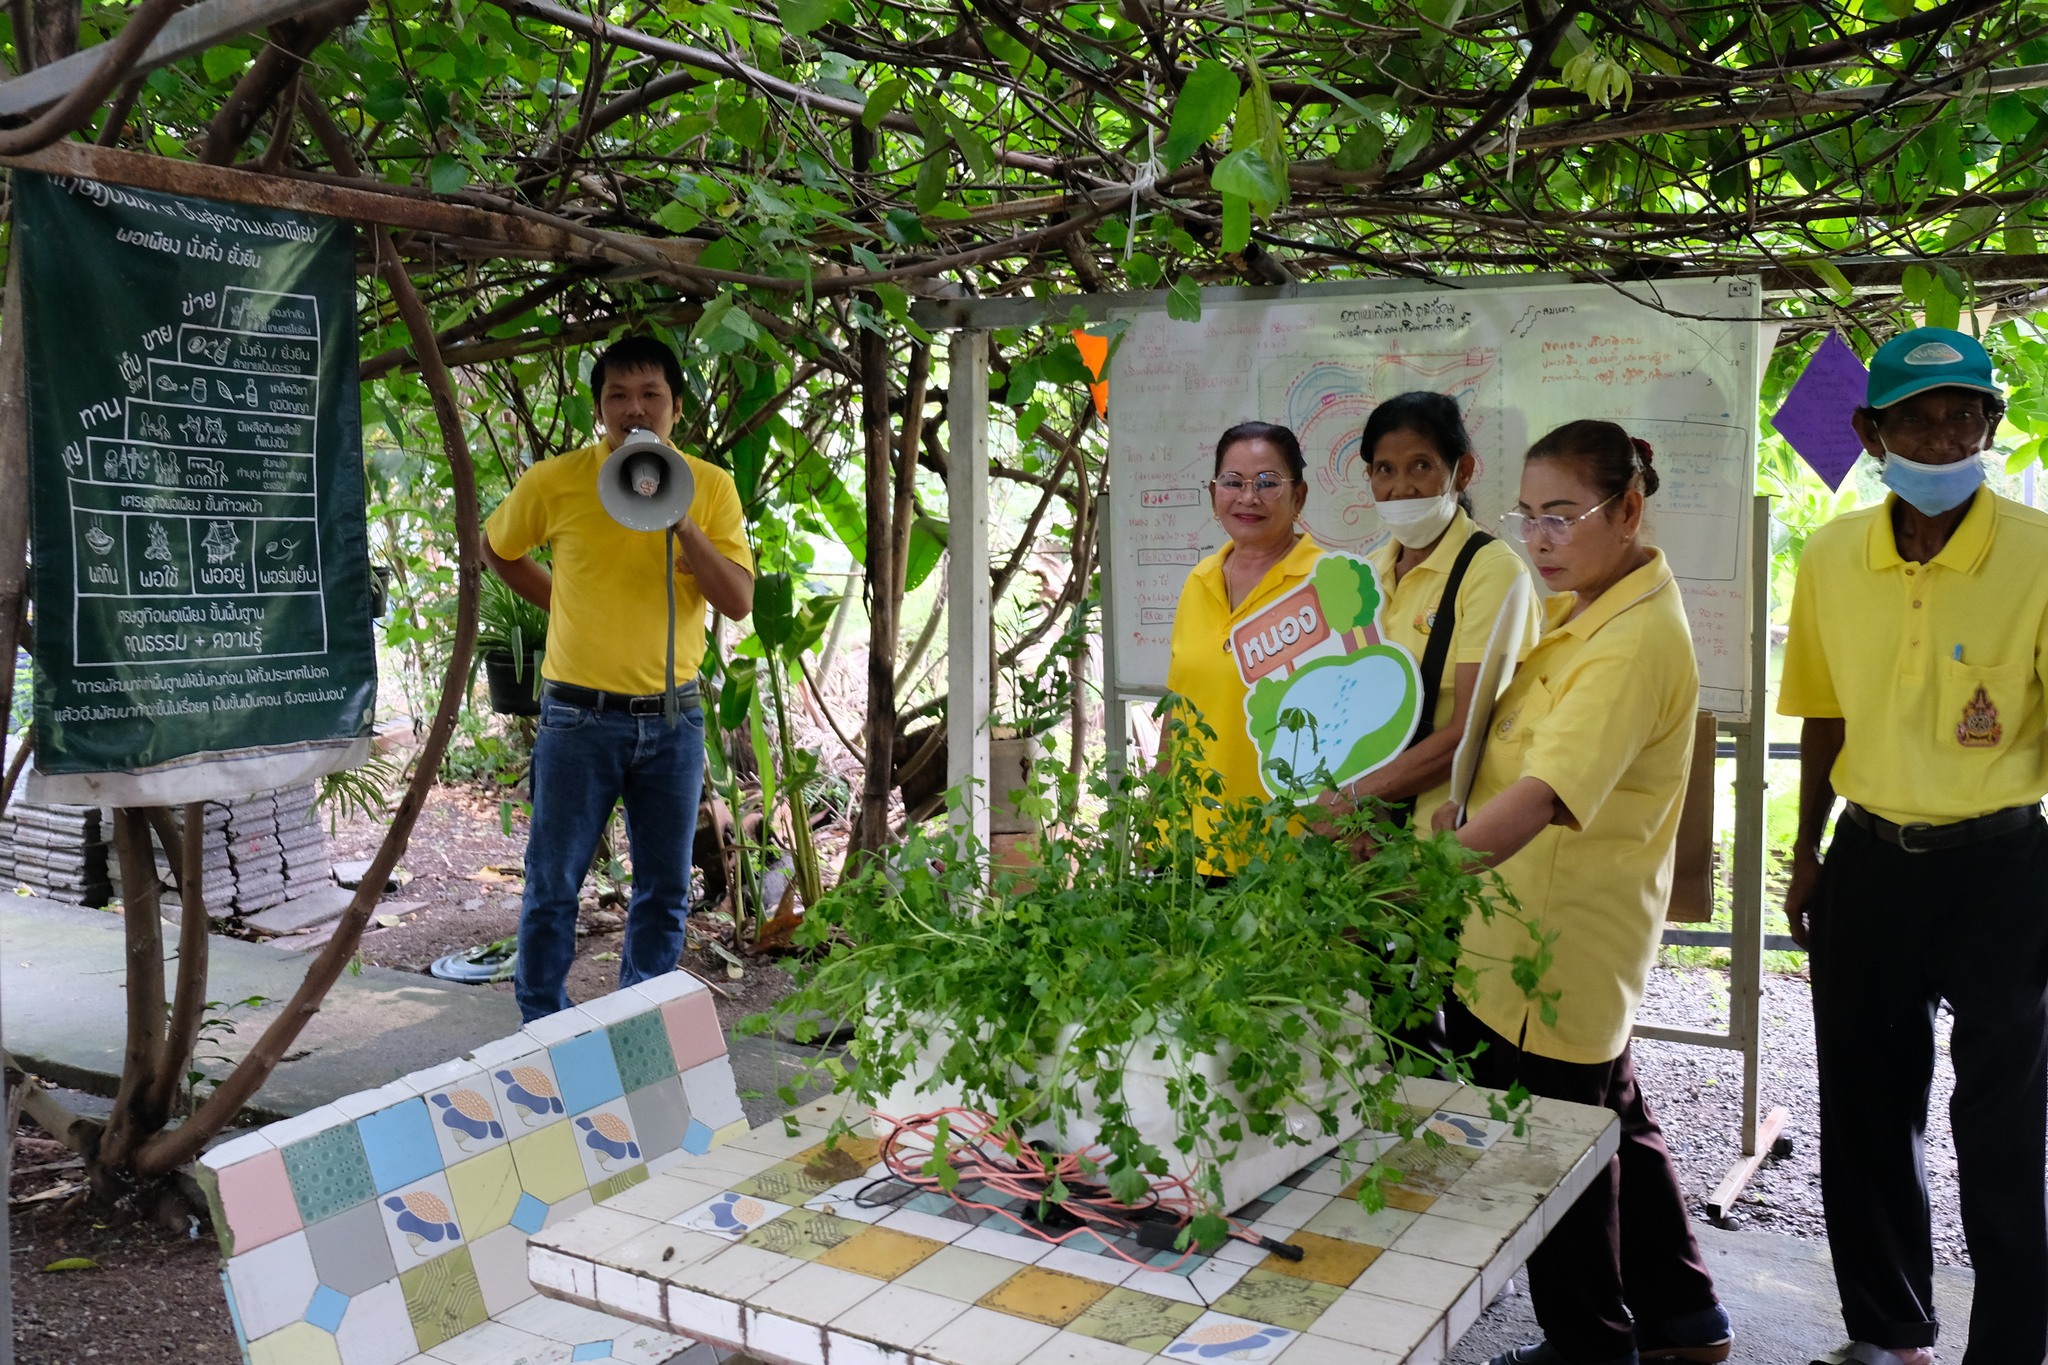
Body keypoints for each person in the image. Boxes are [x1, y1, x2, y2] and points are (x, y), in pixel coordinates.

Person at [1778, 326, 2048, 1365]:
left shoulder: (2034, 550)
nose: (1940, 440)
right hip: (1869, 864)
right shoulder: (1831, 554)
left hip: (2003, 870)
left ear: (1988, 424)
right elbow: (1820, 714)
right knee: (1862, 1110)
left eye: (1961, 418)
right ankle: (1887, 1335)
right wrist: (1804, 854)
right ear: (1868, 431)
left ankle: (2009, 1351)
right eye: (1914, 421)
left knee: (1999, 1129)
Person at [1434, 420, 1730, 1365]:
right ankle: (1686, 1319)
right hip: (1555, 934)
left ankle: (1592, 1347)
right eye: (1529, 516)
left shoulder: (1630, 639)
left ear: (1629, 509)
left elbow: (1539, 798)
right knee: (1613, 1118)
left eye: (1563, 515)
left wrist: (1411, 876)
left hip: (1549, 948)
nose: (1541, 537)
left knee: (1546, 1155)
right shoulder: (1594, 604)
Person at [483, 334, 754, 1023]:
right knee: (553, 885)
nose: (634, 409)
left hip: (673, 721)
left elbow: (738, 599)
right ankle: (542, 1025)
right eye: (618, 396)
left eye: (650, 395)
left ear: (676, 408)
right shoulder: (556, 480)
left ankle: (637, 1025)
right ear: (599, 408)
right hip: (578, 718)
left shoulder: (711, 486)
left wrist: (683, 525)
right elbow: (498, 548)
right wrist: (563, 600)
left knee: (664, 889)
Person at [1356, 391, 1539, 823]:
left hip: (1442, 838)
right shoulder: (1366, 574)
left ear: (1464, 470)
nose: (1402, 487)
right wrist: (1354, 818)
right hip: (1362, 835)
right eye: (1386, 470)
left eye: (1421, 465)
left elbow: (1467, 732)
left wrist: (1353, 799)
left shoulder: (1490, 572)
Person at [1165, 420, 1319, 869]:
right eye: (1233, 482)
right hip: (1190, 844)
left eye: (1268, 483)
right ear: (1214, 492)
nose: (1248, 497)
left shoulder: (1323, 586)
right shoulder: (1199, 581)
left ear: (1300, 496)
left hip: (1284, 848)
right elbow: (1178, 708)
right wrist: (1157, 811)